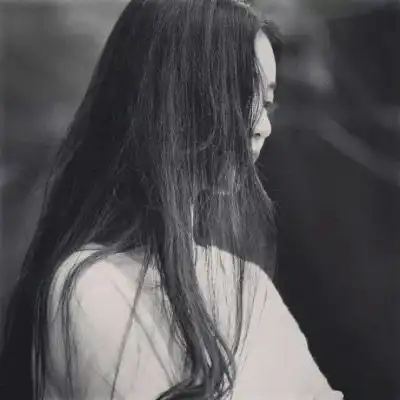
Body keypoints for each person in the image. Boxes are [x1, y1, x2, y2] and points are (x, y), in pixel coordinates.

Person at [0, 0, 344, 399]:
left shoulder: (248, 283)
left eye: (266, 102)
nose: (262, 125)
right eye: (239, 92)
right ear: (170, 96)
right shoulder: (92, 287)